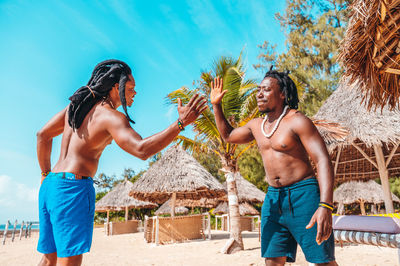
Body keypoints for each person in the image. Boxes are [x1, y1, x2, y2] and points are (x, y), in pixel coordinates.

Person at [36, 59, 207, 266]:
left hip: (51, 186)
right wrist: (181, 124)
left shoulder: (76, 106)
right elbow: (142, 150)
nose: (135, 93)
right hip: (72, 189)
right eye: (131, 88)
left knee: (48, 259)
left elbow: (42, 135)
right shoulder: (111, 117)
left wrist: (45, 175)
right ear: (117, 87)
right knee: (69, 261)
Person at [210, 68, 337, 266]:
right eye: (258, 89)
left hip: (303, 195)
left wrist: (325, 206)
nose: (259, 94)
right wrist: (216, 106)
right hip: (273, 198)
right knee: (272, 261)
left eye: (266, 90)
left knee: (322, 261)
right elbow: (228, 136)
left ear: (282, 94)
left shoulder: (297, 121)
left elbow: (323, 160)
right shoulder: (256, 126)